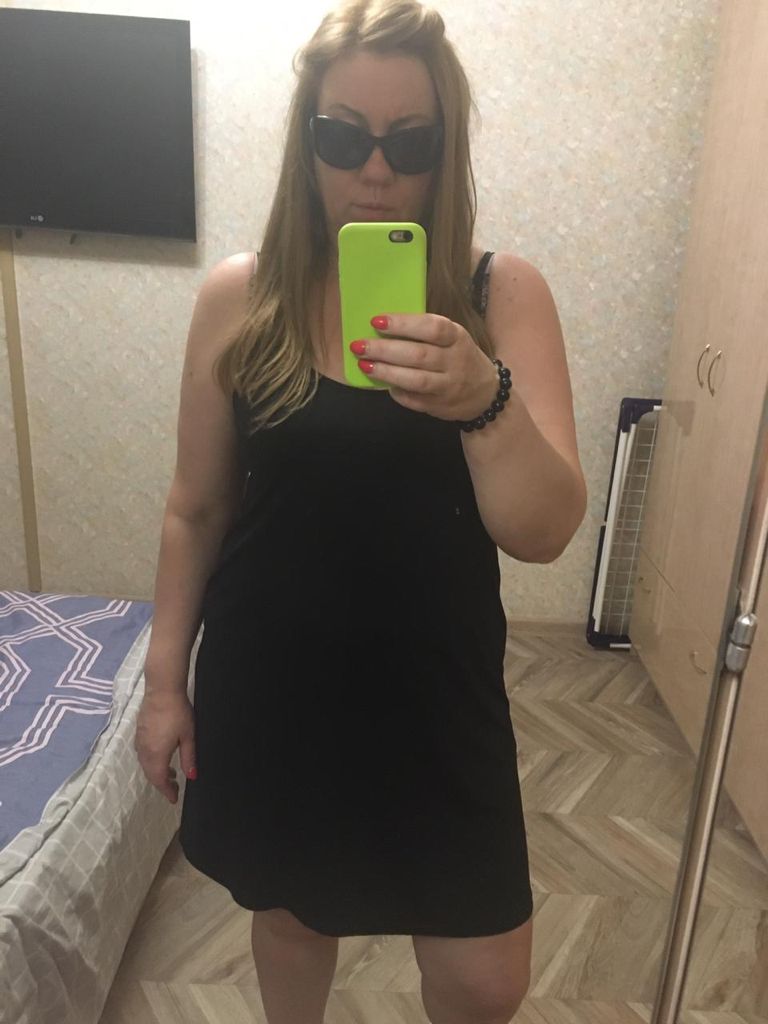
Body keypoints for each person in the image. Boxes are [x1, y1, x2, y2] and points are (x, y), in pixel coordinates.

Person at [135, 1, 587, 1022]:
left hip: (438, 693)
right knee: (296, 917)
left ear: (445, 148)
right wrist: (164, 686)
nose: (374, 172)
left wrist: (484, 400)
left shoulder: (501, 295)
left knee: (485, 981)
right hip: (276, 686)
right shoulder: (240, 297)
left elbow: (544, 529)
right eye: (343, 139)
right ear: (306, 144)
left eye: (408, 143)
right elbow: (195, 508)